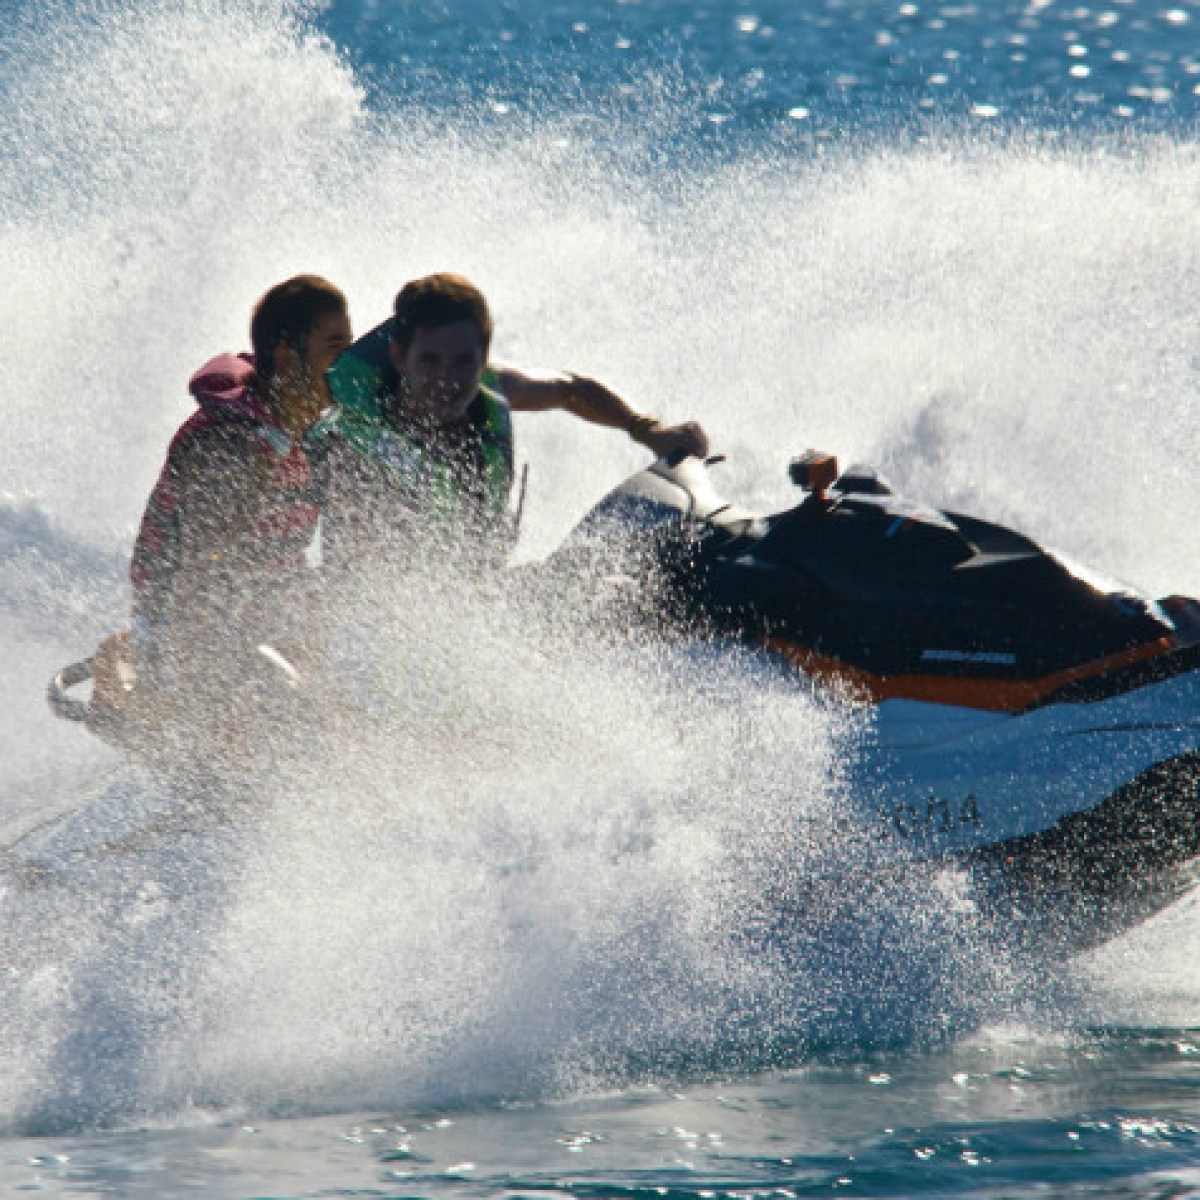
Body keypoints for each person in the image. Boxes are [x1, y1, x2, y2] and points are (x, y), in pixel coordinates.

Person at [317, 272, 710, 569]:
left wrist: (647, 429)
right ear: (401, 358)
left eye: (463, 361)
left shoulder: (492, 389)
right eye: (430, 361)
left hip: (484, 601)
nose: (447, 380)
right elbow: (368, 586)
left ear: (483, 357)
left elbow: (571, 388)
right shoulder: (355, 449)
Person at [122, 274, 353, 711]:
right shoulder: (234, 451)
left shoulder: (300, 429)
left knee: (359, 596)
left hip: (264, 626)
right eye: (335, 349)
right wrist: (209, 703)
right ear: (287, 362)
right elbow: (197, 586)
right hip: (189, 652)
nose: (349, 365)